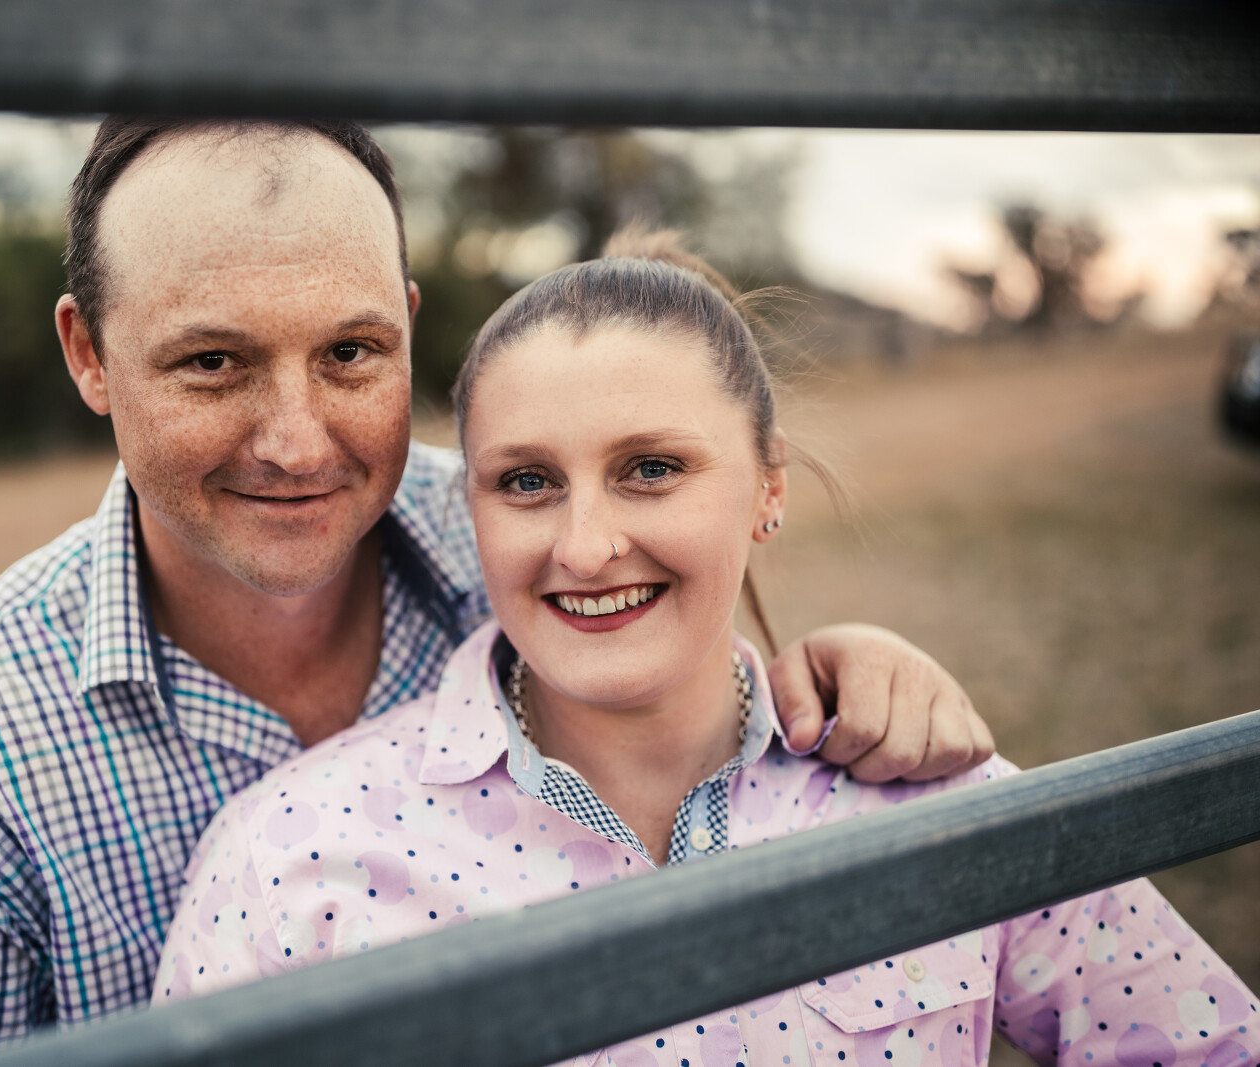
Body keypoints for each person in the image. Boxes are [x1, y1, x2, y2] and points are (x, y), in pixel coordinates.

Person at [0, 119, 997, 1065]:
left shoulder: (528, 536)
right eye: (211, 361)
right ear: (87, 354)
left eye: (350, 353)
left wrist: (843, 667)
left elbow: (692, 637)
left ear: (408, 330)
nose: (295, 441)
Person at [154, 231, 1258, 1067]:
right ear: (470, 506)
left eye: (652, 469)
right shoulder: (296, 858)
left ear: (767, 487)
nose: (586, 545)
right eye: (527, 481)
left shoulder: (934, 802)